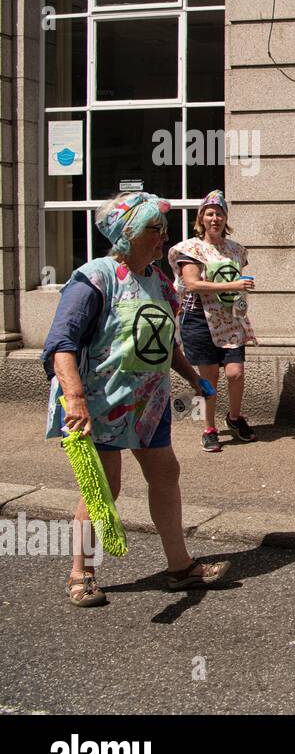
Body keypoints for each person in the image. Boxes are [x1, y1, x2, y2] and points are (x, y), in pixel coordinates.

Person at [42, 192, 231, 607]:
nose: (163, 237)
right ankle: (82, 572)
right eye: (153, 229)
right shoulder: (94, 278)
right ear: (126, 234)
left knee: (165, 472)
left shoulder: (161, 282)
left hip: (150, 403)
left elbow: (166, 344)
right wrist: (73, 398)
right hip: (100, 401)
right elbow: (61, 344)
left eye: (163, 229)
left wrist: (193, 379)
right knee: (104, 486)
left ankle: (179, 567)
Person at [167, 190, 257, 453]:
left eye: (219, 213)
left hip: (230, 317)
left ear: (225, 218)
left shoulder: (235, 250)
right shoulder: (190, 249)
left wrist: (239, 291)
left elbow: (237, 280)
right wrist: (234, 284)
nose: (215, 218)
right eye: (210, 213)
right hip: (199, 318)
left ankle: (235, 417)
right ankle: (209, 427)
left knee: (235, 372)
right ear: (201, 218)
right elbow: (192, 284)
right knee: (210, 378)